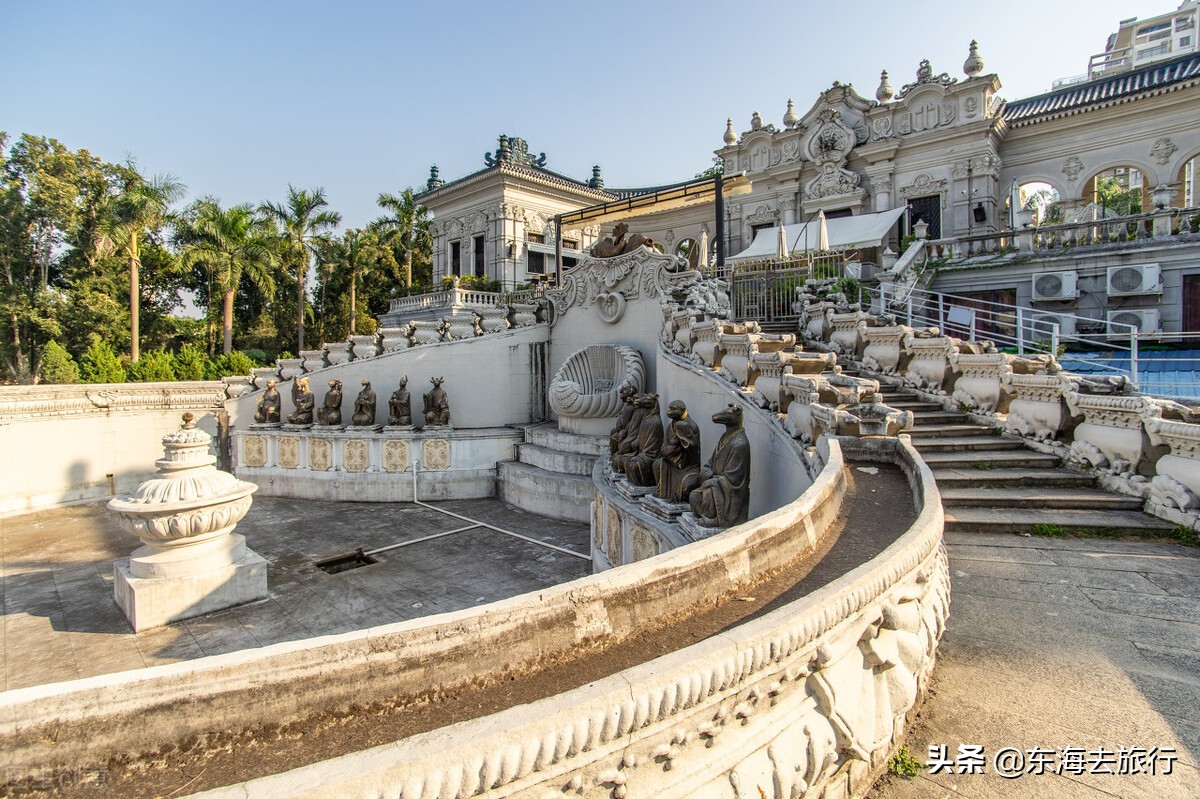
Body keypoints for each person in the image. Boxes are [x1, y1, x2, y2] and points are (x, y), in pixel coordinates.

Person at [654, 400, 702, 503]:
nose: (669, 411)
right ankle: (662, 490)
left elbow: (692, 448)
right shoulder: (670, 426)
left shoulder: (691, 426)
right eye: (669, 408)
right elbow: (665, 447)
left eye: (673, 409)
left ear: (682, 410)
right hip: (671, 462)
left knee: (687, 486)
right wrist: (670, 449)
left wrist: (675, 446)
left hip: (688, 467)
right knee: (657, 465)